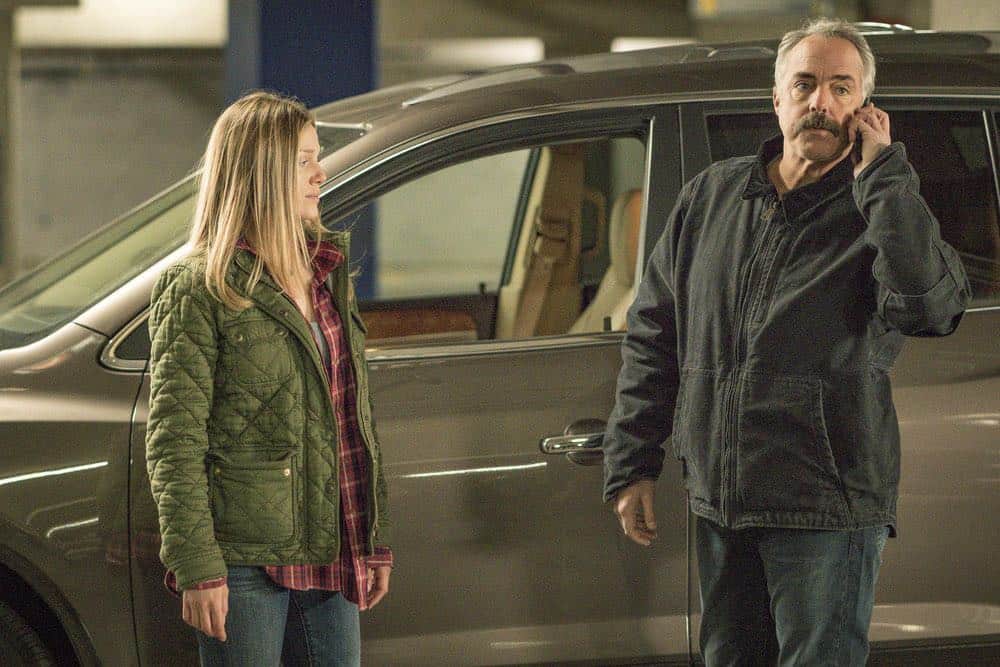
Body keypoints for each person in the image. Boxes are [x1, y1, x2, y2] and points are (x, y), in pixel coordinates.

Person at [602, 18, 970, 667]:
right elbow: (655, 332)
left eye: (841, 87)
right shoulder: (712, 196)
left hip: (825, 504)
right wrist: (633, 461)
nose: (820, 101)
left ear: (864, 108)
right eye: (805, 84)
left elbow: (931, 306)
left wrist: (884, 175)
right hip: (724, 502)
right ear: (777, 99)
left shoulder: (877, 209)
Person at [145, 90, 391, 666]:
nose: (320, 173)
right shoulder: (199, 286)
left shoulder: (325, 274)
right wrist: (196, 566)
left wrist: (371, 540)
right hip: (242, 561)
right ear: (262, 173)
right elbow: (174, 443)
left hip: (329, 549)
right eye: (304, 161)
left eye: (316, 158)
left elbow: (352, 420)